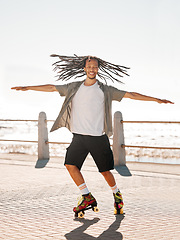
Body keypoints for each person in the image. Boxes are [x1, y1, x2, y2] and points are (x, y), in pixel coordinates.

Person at [11, 55, 173, 217]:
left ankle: (116, 194)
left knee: (105, 171)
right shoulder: (74, 87)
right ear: (84, 69)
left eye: (95, 67)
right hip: (79, 137)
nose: (92, 69)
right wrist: (27, 88)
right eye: (89, 67)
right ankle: (87, 196)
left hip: (98, 137)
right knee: (70, 165)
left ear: (98, 69)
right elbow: (52, 88)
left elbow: (131, 95)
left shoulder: (105, 90)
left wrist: (156, 100)